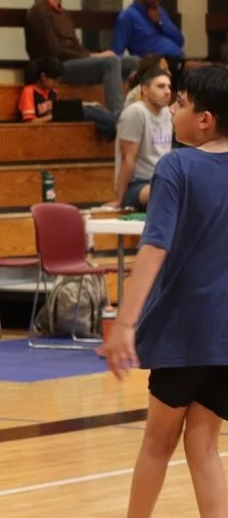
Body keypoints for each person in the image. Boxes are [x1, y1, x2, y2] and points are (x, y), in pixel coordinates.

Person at [102, 65, 228, 518]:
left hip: (183, 329)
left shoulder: (177, 165)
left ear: (205, 119)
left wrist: (125, 322)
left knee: (158, 441)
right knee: (203, 442)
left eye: (181, 104)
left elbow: (154, 247)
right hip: (225, 336)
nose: (172, 110)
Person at [25, 0, 136, 114]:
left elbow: (77, 48)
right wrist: (93, 56)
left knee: (133, 61)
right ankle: (118, 115)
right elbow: (54, 50)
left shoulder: (63, 13)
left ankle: (136, 111)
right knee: (111, 62)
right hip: (57, 70)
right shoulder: (38, 12)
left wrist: (92, 55)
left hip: (74, 63)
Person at [116, 71, 174, 211]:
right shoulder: (135, 112)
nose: (167, 91)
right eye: (161, 86)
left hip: (164, 180)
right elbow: (129, 158)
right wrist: (119, 200)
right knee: (164, 194)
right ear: (145, 90)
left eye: (169, 87)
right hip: (138, 184)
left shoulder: (167, 113)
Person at [113, 0, 186, 61]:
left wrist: (160, 23)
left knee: (204, 69)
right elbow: (117, 52)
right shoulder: (128, 16)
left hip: (178, 59)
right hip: (156, 65)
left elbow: (180, 40)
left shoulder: (159, 12)